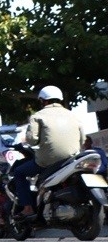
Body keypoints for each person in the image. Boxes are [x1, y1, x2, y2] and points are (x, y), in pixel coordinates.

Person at [13, 85, 85, 219]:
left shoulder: (38, 116)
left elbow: (32, 140)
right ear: (60, 100)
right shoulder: (73, 115)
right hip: (71, 159)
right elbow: (82, 139)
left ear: (43, 101)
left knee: (19, 172)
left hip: (47, 161)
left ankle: (27, 208)